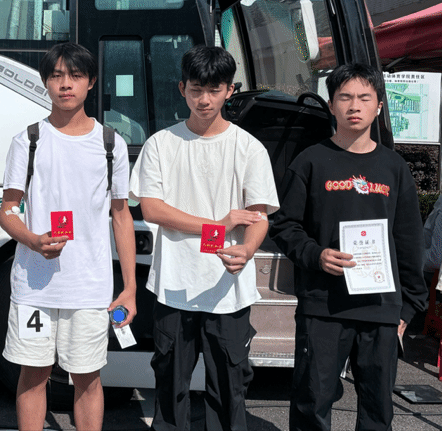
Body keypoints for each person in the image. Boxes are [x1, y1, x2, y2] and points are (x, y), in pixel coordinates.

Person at [270, 63, 426, 431]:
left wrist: (408, 307)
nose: (354, 106)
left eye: (364, 98)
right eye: (345, 97)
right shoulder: (310, 161)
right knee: (312, 404)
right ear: (331, 105)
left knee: (377, 411)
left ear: (379, 106)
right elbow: (284, 225)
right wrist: (316, 255)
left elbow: (408, 240)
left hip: (380, 308)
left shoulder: (394, 168)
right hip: (323, 306)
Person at [130, 45, 279, 431]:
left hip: (228, 290)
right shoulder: (161, 144)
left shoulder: (248, 148)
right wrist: (219, 225)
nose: (205, 99)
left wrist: (248, 248)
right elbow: (152, 210)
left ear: (230, 90)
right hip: (174, 286)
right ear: (182, 89)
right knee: (170, 387)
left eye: (214, 90)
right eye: (196, 89)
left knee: (229, 388)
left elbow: (259, 216)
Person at [0, 42, 137, 431]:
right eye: (57, 75)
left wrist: (129, 288)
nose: (65, 84)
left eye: (75, 76)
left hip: (89, 287)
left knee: (87, 378)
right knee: (33, 375)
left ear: (91, 82)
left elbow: (121, 216)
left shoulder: (111, 144)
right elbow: (8, 211)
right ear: (45, 81)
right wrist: (32, 240)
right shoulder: (27, 140)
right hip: (34, 287)